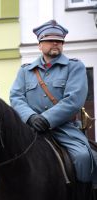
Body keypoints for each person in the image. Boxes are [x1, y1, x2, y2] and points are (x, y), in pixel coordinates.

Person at [10, 20, 94, 199]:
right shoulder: (25, 71)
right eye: (50, 40)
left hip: (65, 129)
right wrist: (31, 117)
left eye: (59, 41)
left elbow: (74, 99)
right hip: (31, 129)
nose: (56, 43)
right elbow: (16, 97)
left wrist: (47, 119)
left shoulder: (74, 66)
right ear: (40, 45)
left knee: (83, 158)